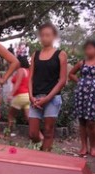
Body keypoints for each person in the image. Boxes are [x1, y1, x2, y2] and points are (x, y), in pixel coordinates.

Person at [28, 23, 67, 151]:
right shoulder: (35, 54)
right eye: (42, 35)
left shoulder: (61, 54)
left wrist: (47, 98)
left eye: (48, 35)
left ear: (54, 36)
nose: (44, 38)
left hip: (52, 98)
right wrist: (31, 96)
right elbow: (30, 77)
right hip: (35, 98)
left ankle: (45, 158)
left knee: (48, 131)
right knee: (33, 134)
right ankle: (44, 148)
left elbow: (62, 80)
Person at [69, 39, 95, 156]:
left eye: (91, 48)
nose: (88, 50)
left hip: (93, 96)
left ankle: (93, 147)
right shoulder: (82, 63)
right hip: (81, 95)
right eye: (87, 48)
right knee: (82, 121)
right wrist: (80, 81)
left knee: (91, 122)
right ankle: (84, 146)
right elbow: (71, 74)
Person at [8, 56, 30, 135]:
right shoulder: (28, 71)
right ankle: (38, 134)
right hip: (27, 96)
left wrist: (11, 95)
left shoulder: (20, 70)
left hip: (20, 96)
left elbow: (17, 84)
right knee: (28, 117)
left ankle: (8, 133)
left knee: (10, 115)